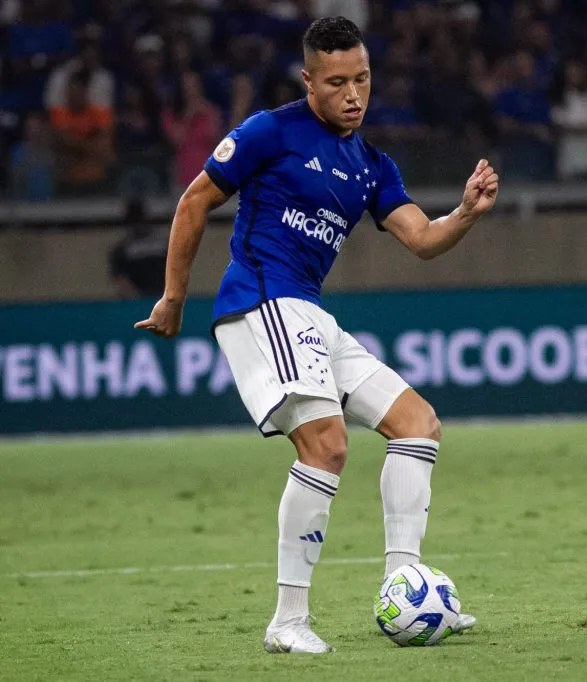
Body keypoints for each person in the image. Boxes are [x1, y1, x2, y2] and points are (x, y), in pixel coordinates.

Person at [134, 17, 499, 654]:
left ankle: (403, 587)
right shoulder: (270, 131)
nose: (353, 94)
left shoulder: (371, 165)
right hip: (262, 300)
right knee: (327, 446)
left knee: (418, 424)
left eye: (362, 79)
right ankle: (287, 622)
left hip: (309, 312)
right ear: (309, 82)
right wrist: (172, 297)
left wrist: (464, 212)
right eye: (337, 82)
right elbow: (195, 200)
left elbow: (421, 240)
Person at [109, 200, 168, 298]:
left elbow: (177, 271)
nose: (138, 225)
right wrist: (138, 301)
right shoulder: (123, 250)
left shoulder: (163, 244)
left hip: (164, 297)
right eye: (134, 221)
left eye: (140, 220)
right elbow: (121, 281)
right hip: (138, 300)